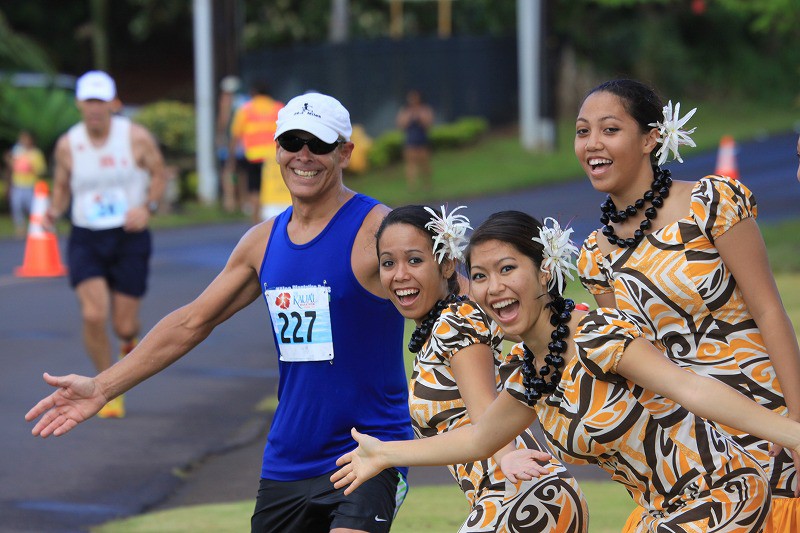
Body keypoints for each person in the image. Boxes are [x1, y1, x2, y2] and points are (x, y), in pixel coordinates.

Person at [27, 92, 414, 533]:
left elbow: (455, 297)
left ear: (344, 151)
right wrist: (102, 386)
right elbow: (192, 322)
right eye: (292, 142)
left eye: (319, 144)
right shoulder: (261, 242)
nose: (303, 156)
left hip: (369, 454)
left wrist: (498, 411)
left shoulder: (378, 230)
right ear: (276, 149)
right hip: (288, 460)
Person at [332, 211, 800, 531]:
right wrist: (386, 454)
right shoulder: (529, 374)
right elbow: (478, 440)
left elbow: (691, 388)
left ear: (544, 272)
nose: (494, 288)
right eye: (479, 276)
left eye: (507, 268)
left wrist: (794, 435)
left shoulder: (596, 333)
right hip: (661, 513)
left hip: (720, 492)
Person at [574, 79, 800, 530]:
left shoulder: (711, 202)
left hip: (768, 421)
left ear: (650, 138)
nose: (592, 144)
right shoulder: (595, 257)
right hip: (693, 445)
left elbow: (770, 311)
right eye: (582, 131)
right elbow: (641, 364)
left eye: (610, 129)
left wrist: (797, 417)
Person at [375, 204, 587, 532]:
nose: (400, 274)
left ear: (446, 264)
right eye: (388, 263)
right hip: (526, 492)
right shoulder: (446, 325)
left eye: (415, 260)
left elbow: (485, 415)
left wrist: (504, 454)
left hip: (518, 494)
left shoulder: (456, 322)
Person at [43, 70, 166, 419]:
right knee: (93, 313)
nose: (95, 108)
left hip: (129, 235)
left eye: (101, 101)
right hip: (86, 236)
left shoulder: (135, 137)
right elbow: (62, 185)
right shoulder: (69, 144)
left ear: (113, 104)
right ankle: (107, 390)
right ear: (79, 104)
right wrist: (53, 210)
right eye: (89, 101)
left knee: (124, 325)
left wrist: (148, 207)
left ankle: (128, 342)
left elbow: (159, 173)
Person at [227, 80, 284, 222]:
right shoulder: (279, 108)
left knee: (255, 189)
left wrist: (231, 157)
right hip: (274, 157)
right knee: (271, 188)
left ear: (253, 92)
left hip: (253, 155)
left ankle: (257, 224)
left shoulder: (246, 109)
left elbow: (235, 135)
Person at [5, 130, 47, 238]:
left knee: (32, 208)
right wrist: (9, 159)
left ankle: (37, 227)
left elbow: (41, 170)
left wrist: (31, 167)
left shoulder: (35, 153)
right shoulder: (17, 151)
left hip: (30, 185)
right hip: (17, 184)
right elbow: (11, 165)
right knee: (17, 207)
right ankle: (20, 228)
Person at [216, 75, 249, 213]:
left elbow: (223, 122)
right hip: (245, 143)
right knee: (242, 173)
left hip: (231, 141)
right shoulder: (246, 101)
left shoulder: (226, 101)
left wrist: (219, 136)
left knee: (229, 171)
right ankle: (243, 202)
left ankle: (230, 202)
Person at [396, 89, 434, 191]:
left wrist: (419, 116)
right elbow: (401, 125)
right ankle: (412, 186)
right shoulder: (405, 111)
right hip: (410, 141)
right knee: (410, 164)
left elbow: (428, 124)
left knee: (425, 164)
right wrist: (410, 116)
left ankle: (427, 184)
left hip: (422, 140)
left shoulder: (424, 109)